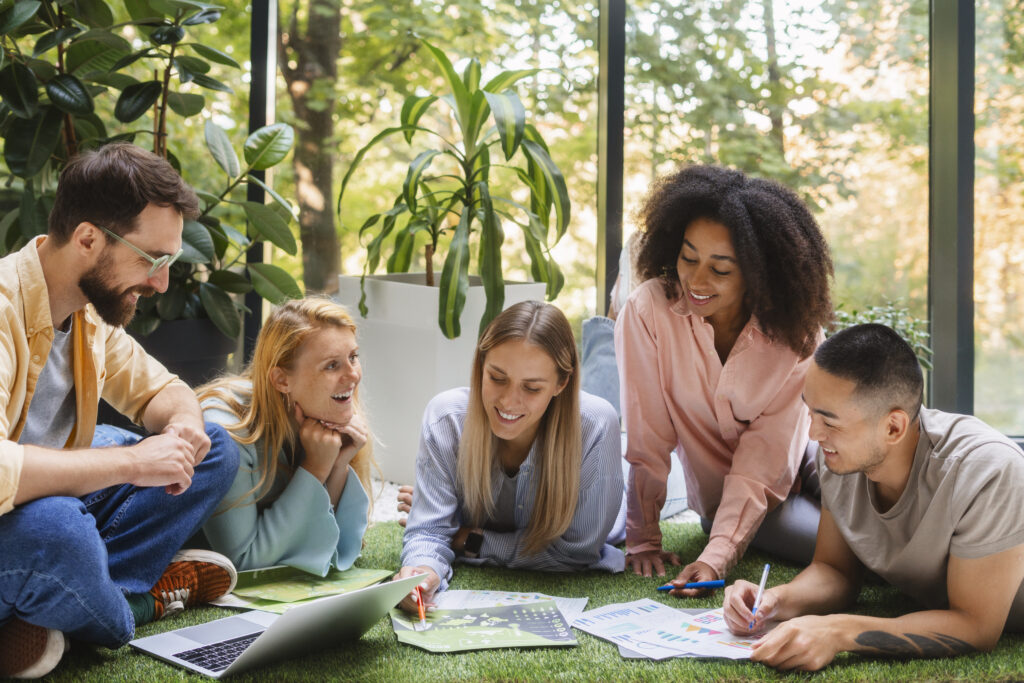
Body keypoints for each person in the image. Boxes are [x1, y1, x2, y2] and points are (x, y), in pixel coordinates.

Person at [0, 143, 239, 679]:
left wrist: (181, 428)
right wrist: (133, 465)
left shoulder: (88, 312)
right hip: (25, 518)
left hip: (50, 502)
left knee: (214, 445)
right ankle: (136, 605)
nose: (161, 282)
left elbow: (164, 391)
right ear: (87, 239)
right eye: (152, 260)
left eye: (169, 262)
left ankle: (51, 605)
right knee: (61, 528)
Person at [723, 324, 1024, 671]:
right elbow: (834, 570)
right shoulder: (840, 457)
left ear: (893, 427)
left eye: (829, 422)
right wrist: (775, 600)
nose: (813, 434)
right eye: (810, 412)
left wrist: (839, 631)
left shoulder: (988, 471)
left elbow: (976, 626)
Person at [616, 164, 833, 595]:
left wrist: (714, 556)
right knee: (848, 549)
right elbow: (648, 439)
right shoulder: (647, 313)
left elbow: (769, 453)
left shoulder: (797, 334)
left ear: (758, 271)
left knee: (876, 507)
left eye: (720, 269)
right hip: (754, 501)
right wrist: (644, 539)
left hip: (805, 454)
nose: (696, 280)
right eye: (688, 258)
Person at [396, 301, 624, 610]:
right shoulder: (446, 418)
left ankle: (616, 309)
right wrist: (421, 572)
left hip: (626, 481)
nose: (508, 402)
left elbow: (574, 553)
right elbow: (429, 533)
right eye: (497, 378)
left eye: (531, 388)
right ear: (480, 366)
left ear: (561, 383)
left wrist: (471, 539)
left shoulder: (596, 426)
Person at [193, 297, 375, 574]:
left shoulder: (326, 419)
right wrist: (315, 468)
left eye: (353, 357)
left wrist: (336, 466)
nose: (353, 376)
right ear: (281, 380)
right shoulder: (227, 434)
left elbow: (331, 544)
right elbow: (242, 563)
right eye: (331, 365)